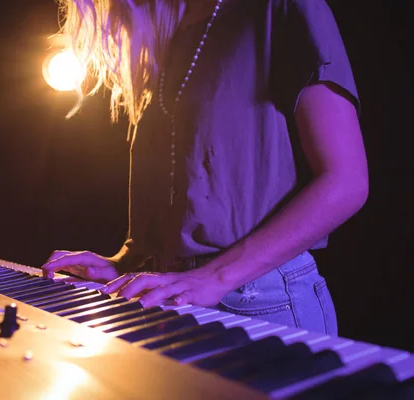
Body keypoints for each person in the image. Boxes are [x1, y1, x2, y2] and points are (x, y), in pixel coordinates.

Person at [42, 0, 368, 336]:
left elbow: (346, 182)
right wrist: (125, 262)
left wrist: (213, 277)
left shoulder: (279, 8)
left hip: (262, 301)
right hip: (172, 297)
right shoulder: (163, 33)